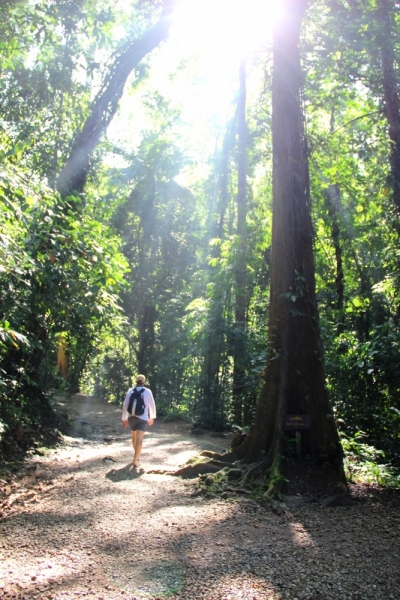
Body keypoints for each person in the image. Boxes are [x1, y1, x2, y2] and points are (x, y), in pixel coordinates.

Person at [122, 374, 156, 467]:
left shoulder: (130, 391)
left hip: (131, 418)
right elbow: (152, 405)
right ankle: (135, 460)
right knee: (139, 439)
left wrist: (124, 419)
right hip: (143, 418)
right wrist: (152, 417)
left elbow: (125, 406)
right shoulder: (147, 391)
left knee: (134, 438)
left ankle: (136, 456)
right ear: (144, 382)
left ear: (136, 381)